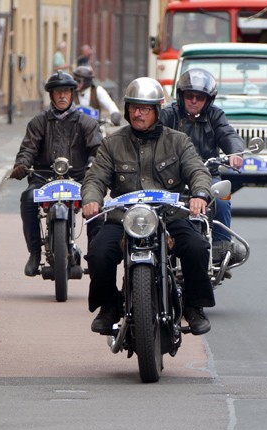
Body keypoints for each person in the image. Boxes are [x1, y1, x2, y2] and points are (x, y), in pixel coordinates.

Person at [82, 77, 215, 336]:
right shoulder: (113, 143)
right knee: (98, 253)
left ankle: (193, 306)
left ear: (157, 110)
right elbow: (95, 177)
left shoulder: (178, 141)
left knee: (197, 247)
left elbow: (197, 170)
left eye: (145, 108)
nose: (138, 113)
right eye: (133, 107)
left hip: (170, 216)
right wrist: (91, 199)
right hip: (124, 218)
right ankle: (109, 306)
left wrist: (199, 194)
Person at [10, 71, 102, 276]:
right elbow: (28, 149)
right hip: (44, 178)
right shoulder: (38, 122)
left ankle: (96, 256)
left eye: (66, 92)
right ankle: (34, 253)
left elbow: (99, 151)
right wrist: (22, 164)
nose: (62, 96)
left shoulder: (87, 123)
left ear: (72, 94)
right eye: (57, 92)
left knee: (96, 203)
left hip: (78, 178)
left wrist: (92, 165)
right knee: (28, 197)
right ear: (51, 95)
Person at [159, 68, 243, 257]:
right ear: (181, 96)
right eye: (190, 96)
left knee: (221, 200)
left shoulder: (215, 115)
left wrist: (235, 152)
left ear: (208, 100)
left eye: (200, 97)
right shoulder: (168, 115)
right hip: (173, 176)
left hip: (207, 173)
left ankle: (221, 247)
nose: (194, 101)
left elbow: (228, 133)